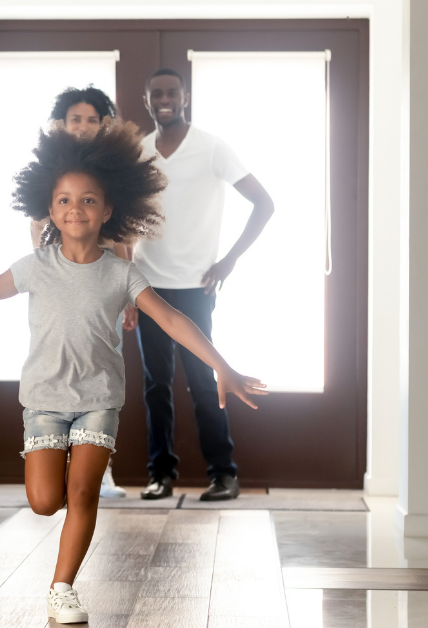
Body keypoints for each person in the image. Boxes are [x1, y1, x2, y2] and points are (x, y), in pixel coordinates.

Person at [0, 121, 266, 624]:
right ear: (50, 210)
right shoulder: (33, 266)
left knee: (82, 492)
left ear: (108, 210)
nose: (75, 209)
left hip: (98, 398)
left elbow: (174, 319)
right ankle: (63, 493)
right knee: (46, 501)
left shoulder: (122, 272)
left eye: (88, 200)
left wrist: (224, 366)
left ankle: (62, 587)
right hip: (44, 400)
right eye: (64, 200)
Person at [128, 68, 276, 502]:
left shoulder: (211, 148)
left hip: (195, 287)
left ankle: (223, 474)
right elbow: (122, 222)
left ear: (185, 97)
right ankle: (161, 475)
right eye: (157, 93)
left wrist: (229, 261)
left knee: (203, 379)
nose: (165, 99)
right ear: (147, 99)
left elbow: (265, 204)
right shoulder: (138, 152)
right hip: (147, 284)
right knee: (156, 386)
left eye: (172, 92)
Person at [31, 85, 130, 499]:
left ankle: (97, 467)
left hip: (105, 284)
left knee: (100, 370)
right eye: (77, 119)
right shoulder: (49, 169)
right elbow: (38, 225)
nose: (85, 126)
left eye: (94, 119)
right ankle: (58, 452)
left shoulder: (115, 168)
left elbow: (125, 234)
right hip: (59, 280)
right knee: (58, 363)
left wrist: (128, 291)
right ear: (62, 124)